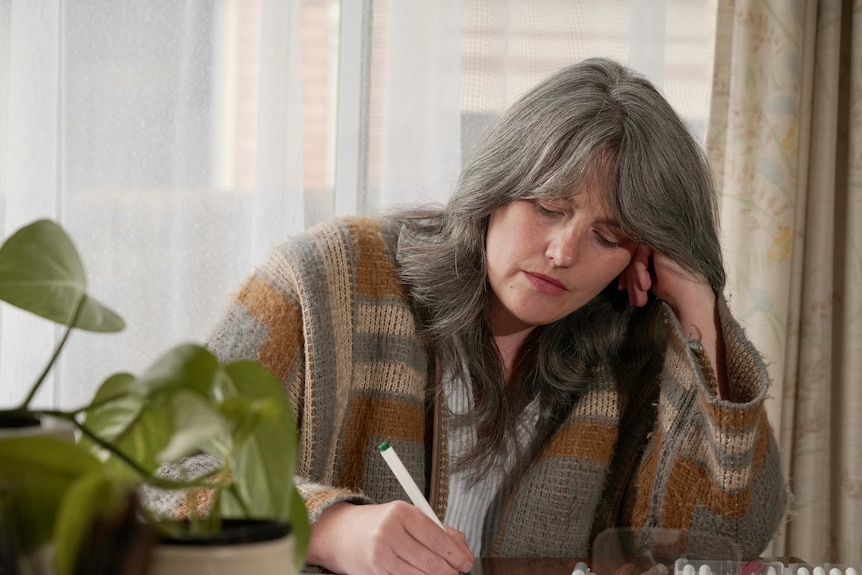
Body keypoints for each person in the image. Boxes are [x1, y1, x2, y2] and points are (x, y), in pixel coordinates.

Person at [207, 57, 788, 575]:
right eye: (548, 207)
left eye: (608, 237)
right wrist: (326, 530)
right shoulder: (326, 279)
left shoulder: (632, 353)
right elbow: (156, 477)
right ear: (497, 183)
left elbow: (723, 543)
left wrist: (698, 312)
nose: (563, 253)